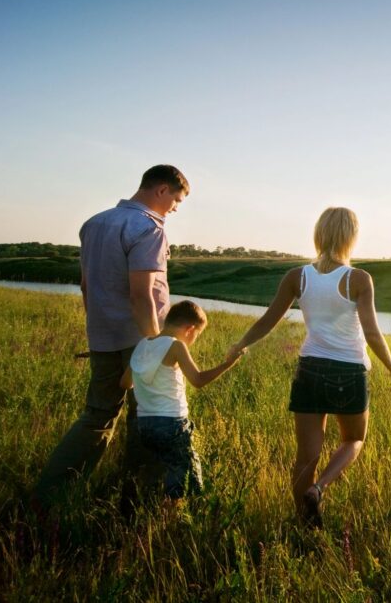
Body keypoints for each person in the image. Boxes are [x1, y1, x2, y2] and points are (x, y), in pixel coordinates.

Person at [231, 206, 391, 527]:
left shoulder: (297, 276)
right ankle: (319, 488)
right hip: (348, 372)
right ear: (351, 237)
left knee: (305, 456)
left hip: (309, 369)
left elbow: (269, 319)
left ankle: (304, 524)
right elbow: (372, 332)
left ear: (319, 234)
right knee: (354, 440)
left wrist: (241, 343)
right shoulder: (358, 279)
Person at [33, 165, 189, 507]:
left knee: (97, 414)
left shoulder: (94, 223)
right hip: (140, 339)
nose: (175, 209)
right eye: (176, 200)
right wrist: (154, 344)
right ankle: (137, 499)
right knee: (148, 416)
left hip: (102, 334)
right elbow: (142, 294)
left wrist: (97, 329)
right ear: (162, 190)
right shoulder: (148, 227)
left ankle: (51, 493)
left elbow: (86, 284)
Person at [120, 301, 244, 500]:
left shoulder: (142, 345)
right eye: (197, 335)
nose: (194, 339)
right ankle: (171, 523)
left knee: (157, 475)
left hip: (144, 425)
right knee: (185, 482)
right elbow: (198, 380)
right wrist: (228, 364)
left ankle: (150, 514)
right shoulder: (176, 346)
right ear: (190, 329)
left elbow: (125, 383)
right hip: (172, 424)